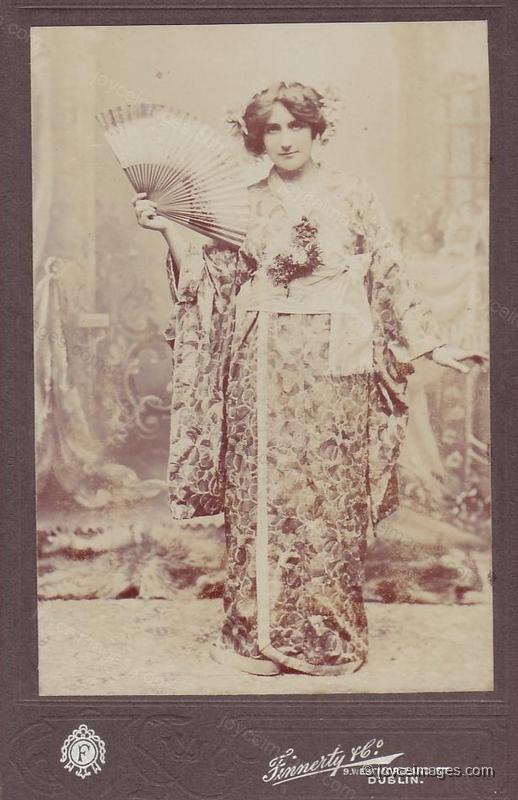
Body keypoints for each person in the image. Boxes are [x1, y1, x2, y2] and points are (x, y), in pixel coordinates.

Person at [132, 81, 485, 677]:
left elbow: (388, 276)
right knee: (259, 492)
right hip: (259, 363)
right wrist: (167, 230)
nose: (285, 139)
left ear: (318, 130)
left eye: (296, 125)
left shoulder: (355, 196)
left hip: (334, 364)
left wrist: (434, 345)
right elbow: (210, 283)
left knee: (326, 496)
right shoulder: (242, 203)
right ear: (257, 137)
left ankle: (325, 635)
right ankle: (254, 636)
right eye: (271, 128)